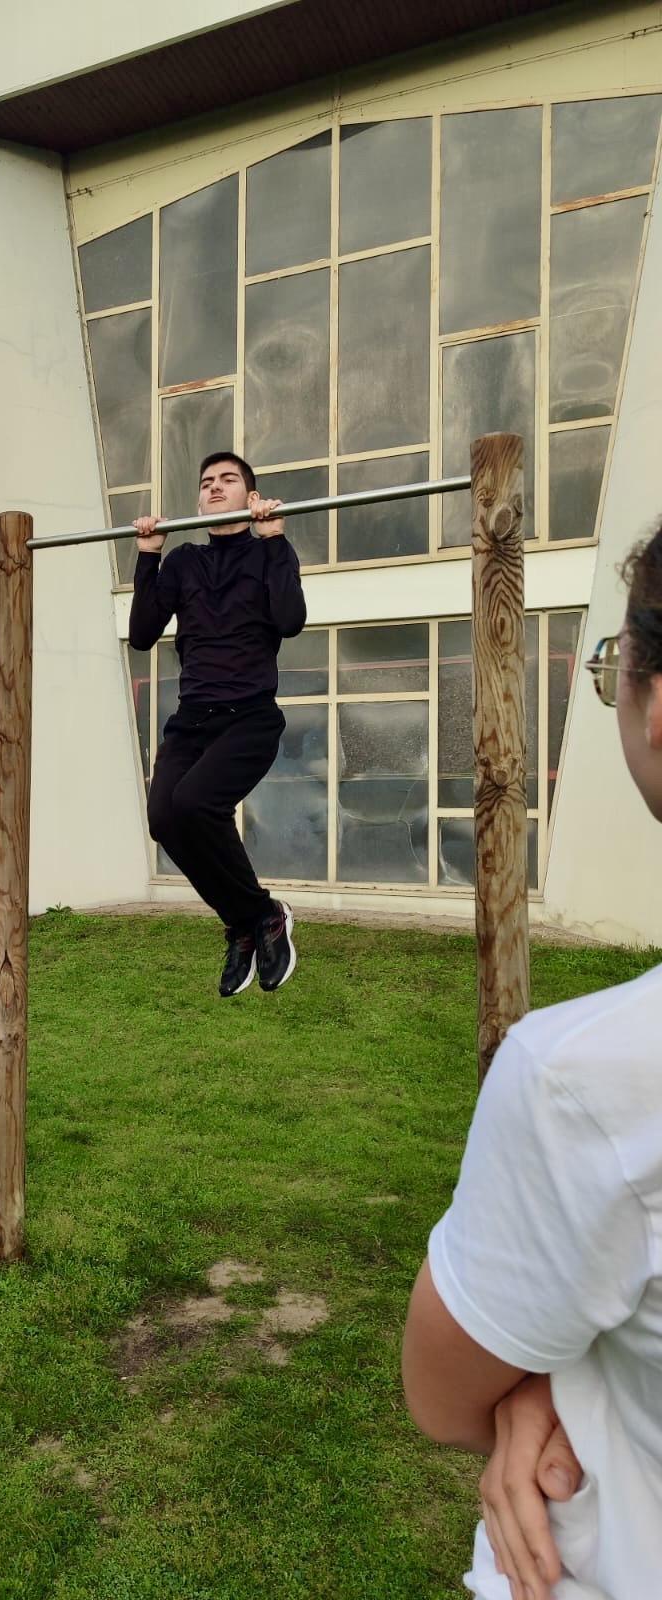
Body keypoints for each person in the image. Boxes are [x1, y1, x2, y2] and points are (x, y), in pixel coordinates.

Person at [402, 520, 662, 1599]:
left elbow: (439, 1386)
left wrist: (519, 1383)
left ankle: (255, 926)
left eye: (610, 672)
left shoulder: (588, 1081)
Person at [129, 450, 307, 997]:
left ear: (250, 496)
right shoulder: (184, 562)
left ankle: (261, 916)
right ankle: (249, 922)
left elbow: (290, 621)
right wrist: (148, 555)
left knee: (195, 805)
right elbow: (140, 633)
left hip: (250, 716)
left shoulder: (267, 553)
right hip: (192, 721)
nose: (214, 487)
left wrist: (274, 538)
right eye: (206, 481)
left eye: (228, 480)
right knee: (164, 817)